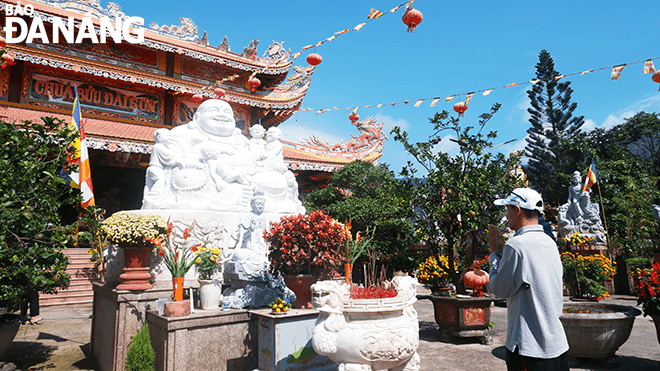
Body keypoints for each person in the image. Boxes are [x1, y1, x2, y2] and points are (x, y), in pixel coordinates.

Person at [488, 188, 569, 371]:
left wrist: (494, 254)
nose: (507, 215)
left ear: (517, 210)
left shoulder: (517, 245)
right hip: (557, 343)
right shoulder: (549, 242)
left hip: (530, 348)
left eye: (508, 209)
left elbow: (499, 289)